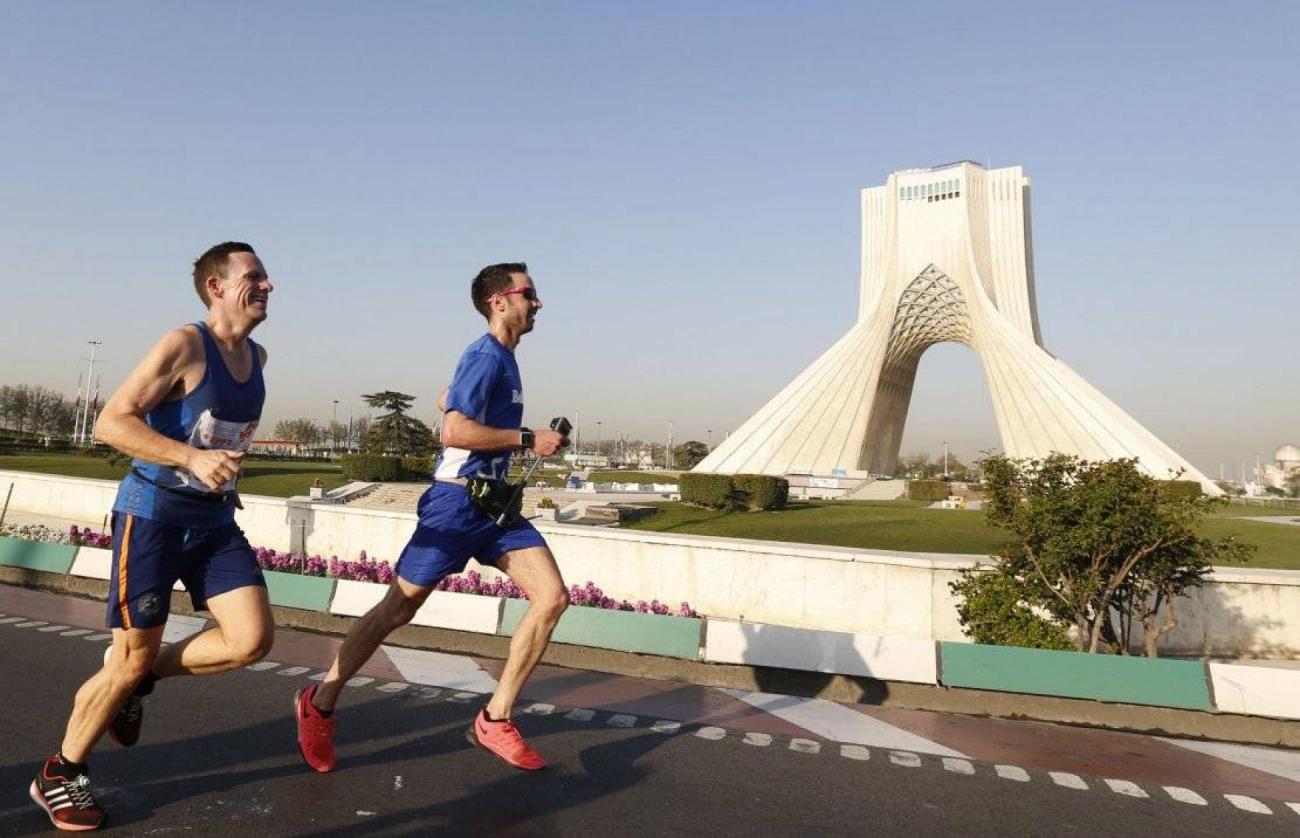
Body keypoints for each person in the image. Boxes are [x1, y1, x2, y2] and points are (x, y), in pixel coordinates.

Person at [30, 242, 275, 831]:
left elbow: (222, 432)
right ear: (216, 286)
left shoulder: (258, 356)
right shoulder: (184, 344)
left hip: (213, 521)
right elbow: (111, 421)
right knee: (128, 655)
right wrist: (191, 457)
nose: (267, 286)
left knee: (251, 640)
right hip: (154, 517)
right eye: (255, 277)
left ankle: (142, 680)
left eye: (268, 278)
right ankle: (59, 773)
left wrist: (217, 465)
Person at [295, 262, 569, 773]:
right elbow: (455, 432)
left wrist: (461, 406)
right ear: (499, 301)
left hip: (496, 505)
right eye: (529, 293)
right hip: (456, 504)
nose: (539, 303)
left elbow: (456, 407)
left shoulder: (503, 361)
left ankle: (496, 717)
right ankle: (319, 701)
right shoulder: (485, 354)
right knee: (397, 611)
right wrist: (530, 438)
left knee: (553, 597)